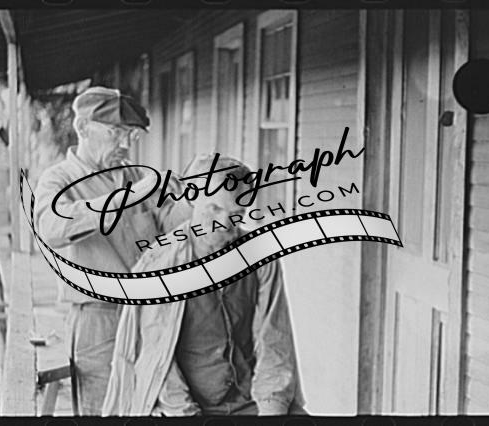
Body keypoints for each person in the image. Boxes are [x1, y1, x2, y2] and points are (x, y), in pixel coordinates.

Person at [102, 154, 306, 416]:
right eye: (215, 209)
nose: (224, 223)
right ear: (192, 198)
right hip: (181, 407)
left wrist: (271, 409)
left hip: (249, 401)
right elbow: (159, 364)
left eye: (236, 214)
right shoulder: (161, 264)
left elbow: (275, 345)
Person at [33, 86, 190, 415]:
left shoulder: (138, 176)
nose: (125, 144)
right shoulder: (58, 180)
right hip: (98, 319)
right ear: (83, 127)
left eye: (131, 135)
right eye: (116, 132)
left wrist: (195, 199)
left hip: (150, 313)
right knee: (102, 410)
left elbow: (175, 229)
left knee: (150, 406)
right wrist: (131, 196)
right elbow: (51, 229)